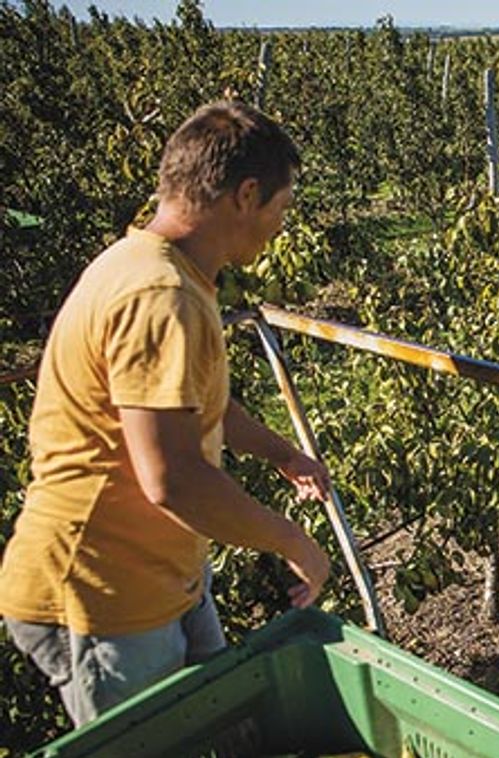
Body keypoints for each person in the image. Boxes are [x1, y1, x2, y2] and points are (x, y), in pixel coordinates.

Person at [0, 102, 331, 728]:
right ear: (247, 194)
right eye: (281, 207)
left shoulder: (161, 270)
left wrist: (281, 454)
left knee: (224, 722)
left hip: (163, 576)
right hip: (101, 597)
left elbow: (195, 404)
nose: (282, 227)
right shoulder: (161, 297)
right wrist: (293, 541)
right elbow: (173, 479)